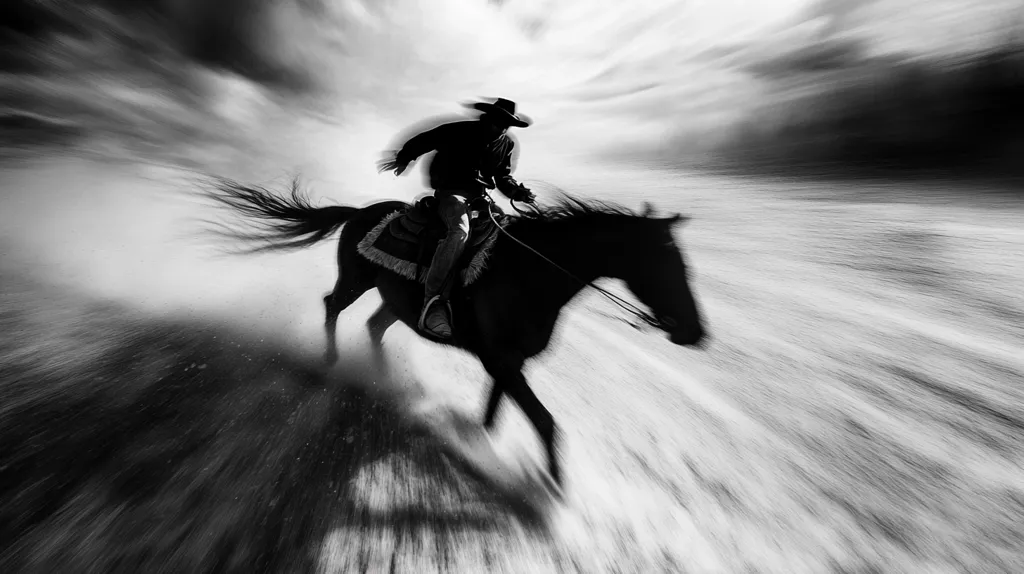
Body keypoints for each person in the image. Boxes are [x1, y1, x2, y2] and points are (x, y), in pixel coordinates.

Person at [378, 97, 537, 340]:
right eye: (498, 122)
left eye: (506, 124)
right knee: (459, 232)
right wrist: (405, 157)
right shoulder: (458, 131)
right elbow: (425, 139)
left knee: (504, 234)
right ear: (487, 118)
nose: (502, 128)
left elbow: (502, 177)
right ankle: (434, 301)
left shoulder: (506, 144)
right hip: (451, 194)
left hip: (480, 199)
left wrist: (515, 190)